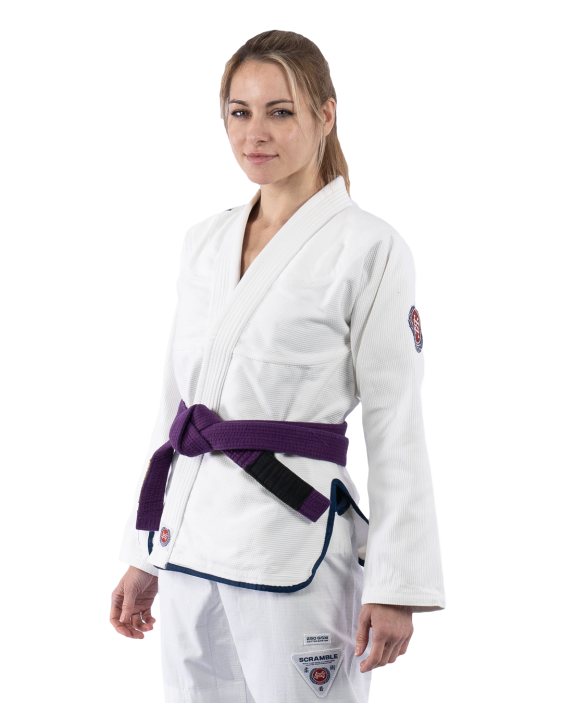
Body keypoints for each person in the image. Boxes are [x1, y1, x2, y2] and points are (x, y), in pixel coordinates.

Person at [109, 29, 446, 702]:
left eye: (280, 111)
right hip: (189, 544)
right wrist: (144, 552)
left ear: (326, 115)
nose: (254, 133)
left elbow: (397, 425)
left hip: (295, 541)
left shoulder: (370, 247)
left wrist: (396, 585)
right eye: (239, 112)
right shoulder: (203, 242)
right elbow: (176, 409)